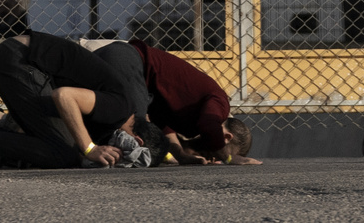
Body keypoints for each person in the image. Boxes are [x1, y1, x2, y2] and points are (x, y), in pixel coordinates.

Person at [0, 31, 167, 170]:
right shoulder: (119, 109)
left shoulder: (113, 117)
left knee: (62, 146)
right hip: (21, 61)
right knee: (63, 154)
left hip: (18, 60)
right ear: (136, 140)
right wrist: (90, 149)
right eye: (129, 157)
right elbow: (64, 96)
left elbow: (55, 110)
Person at [92, 39, 260, 165]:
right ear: (227, 137)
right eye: (219, 155)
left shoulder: (191, 119)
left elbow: (163, 124)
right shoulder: (221, 105)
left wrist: (180, 154)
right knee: (134, 130)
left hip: (120, 61)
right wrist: (229, 159)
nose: (215, 159)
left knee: (113, 126)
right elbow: (209, 124)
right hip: (128, 60)